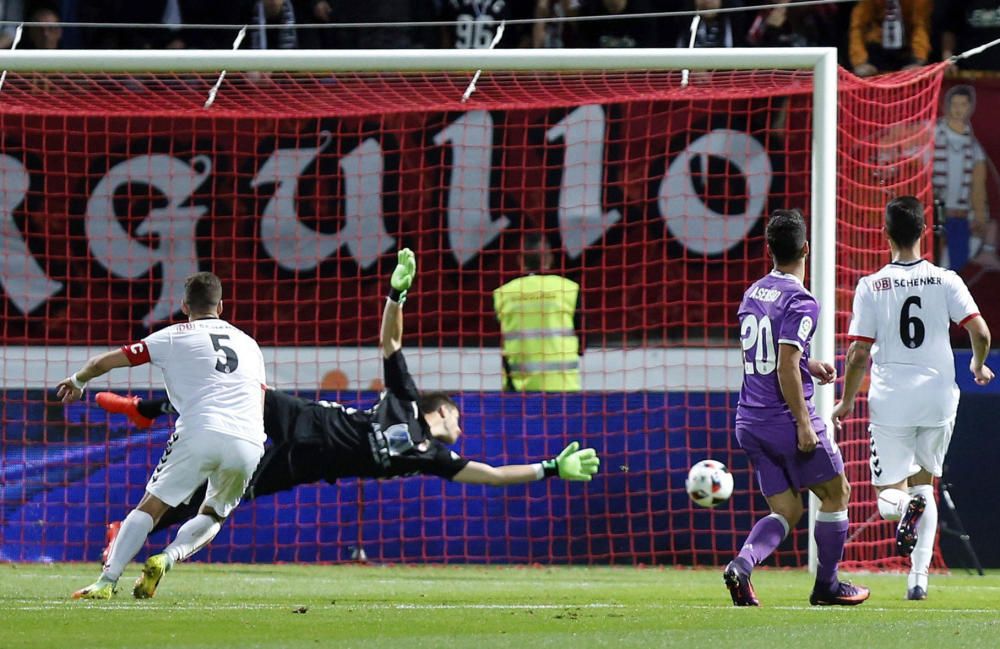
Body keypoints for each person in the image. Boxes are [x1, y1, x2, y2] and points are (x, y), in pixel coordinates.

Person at [95, 249, 600, 543]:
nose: (461, 427)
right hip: (306, 420)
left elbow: (490, 475)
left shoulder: (432, 456)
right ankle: (146, 409)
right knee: (239, 388)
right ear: (437, 408)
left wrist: (549, 467)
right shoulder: (405, 398)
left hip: (306, 465)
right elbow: (391, 342)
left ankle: (129, 531)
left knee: (221, 503)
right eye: (457, 417)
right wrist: (394, 295)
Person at [58, 272, 267, 601]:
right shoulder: (250, 345)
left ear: (184, 305)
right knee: (213, 514)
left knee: (150, 508)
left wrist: (78, 379)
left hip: (201, 429)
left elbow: (104, 362)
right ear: (222, 306)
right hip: (250, 439)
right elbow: (260, 399)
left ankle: (106, 582)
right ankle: (167, 558)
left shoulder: (173, 336)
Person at [832, 196, 994, 601]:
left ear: (885, 233)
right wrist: (977, 365)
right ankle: (918, 579)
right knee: (926, 485)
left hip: (892, 400)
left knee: (891, 496)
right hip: (939, 397)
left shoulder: (872, 285)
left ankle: (905, 512)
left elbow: (858, 354)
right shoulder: (947, 279)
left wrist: (846, 401)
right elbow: (982, 332)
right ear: (924, 231)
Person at [725, 209, 869, 607]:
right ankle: (827, 585)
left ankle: (742, 564)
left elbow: (771, 353)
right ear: (806, 248)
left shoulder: (753, 292)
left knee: (786, 510)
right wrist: (804, 424)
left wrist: (809, 363)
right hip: (784, 418)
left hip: (749, 419)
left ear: (769, 250)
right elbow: (785, 363)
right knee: (838, 492)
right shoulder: (802, 300)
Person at [493, 234, 582, 392]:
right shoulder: (570, 289)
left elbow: (499, 340)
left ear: (520, 260)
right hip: (564, 386)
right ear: (550, 258)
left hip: (519, 388)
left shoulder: (503, 293)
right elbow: (582, 338)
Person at [933, 85, 1000, 271]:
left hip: (960, 218)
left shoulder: (974, 147)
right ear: (946, 106)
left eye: (963, 104)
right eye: (953, 104)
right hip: (931, 218)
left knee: (952, 268)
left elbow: (977, 187)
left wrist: (979, 216)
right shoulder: (931, 134)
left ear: (970, 107)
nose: (958, 109)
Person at [849, 0, 931, 77]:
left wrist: (918, 60)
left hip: (908, 49)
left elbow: (921, 26)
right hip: (876, 49)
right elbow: (858, 27)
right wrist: (860, 62)